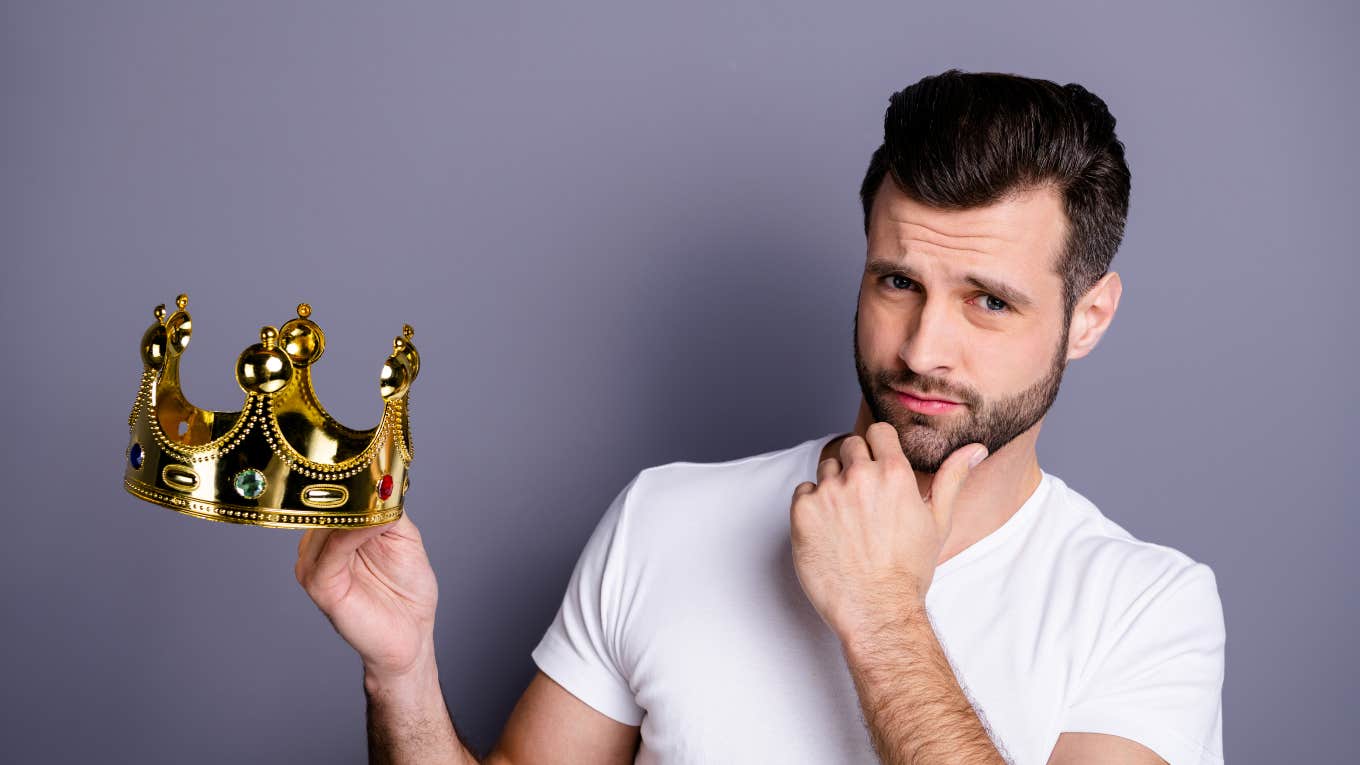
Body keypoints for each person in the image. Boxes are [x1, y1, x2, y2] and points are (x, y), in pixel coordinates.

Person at [294, 69, 1225, 764]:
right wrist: (402, 672)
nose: (923, 347)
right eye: (898, 281)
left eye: (989, 300)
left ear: (1087, 316)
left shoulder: (1147, 609)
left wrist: (881, 611)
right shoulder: (665, 517)